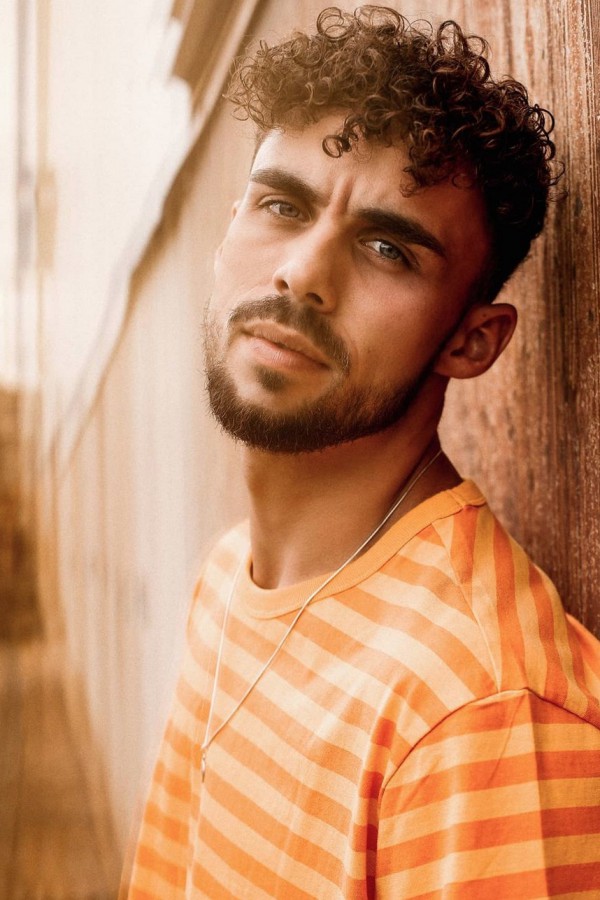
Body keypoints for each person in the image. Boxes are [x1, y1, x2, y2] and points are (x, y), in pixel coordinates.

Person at [126, 6, 600, 897]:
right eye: (282, 206)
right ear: (227, 233)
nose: (303, 273)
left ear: (471, 340)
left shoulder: (479, 710)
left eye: (387, 248)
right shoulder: (229, 579)